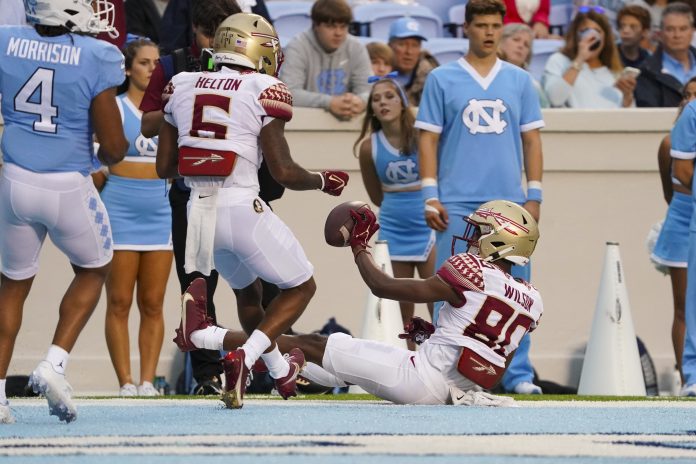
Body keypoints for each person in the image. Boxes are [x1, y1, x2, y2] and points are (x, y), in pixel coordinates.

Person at [158, 12, 349, 409]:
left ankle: (280, 372)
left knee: (250, 292)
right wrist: (322, 180)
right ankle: (243, 357)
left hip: (198, 211)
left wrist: (207, 154)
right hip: (241, 206)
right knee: (301, 287)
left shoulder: (181, 83)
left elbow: (164, 167)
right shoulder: (263, 87)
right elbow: (283, 171)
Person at [177, 200, 543, 405]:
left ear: (502, 239)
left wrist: (360, 246)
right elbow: (493, 361)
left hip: (419, 379)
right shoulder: (531, 300)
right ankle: (283, 371)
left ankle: (203, 336)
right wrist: (437, 335)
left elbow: (381, 285)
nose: (472, 238)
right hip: (458, 391)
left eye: (480, 232)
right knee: (326, 358)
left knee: (311, 342)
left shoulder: (472, 271)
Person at [0, 0, 128, 423]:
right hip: (67, 182)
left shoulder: (6, 39)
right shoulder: (96, 54)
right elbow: (113, 146)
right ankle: (53, 363)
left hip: (15, 179)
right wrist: (102, 156)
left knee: (12, 285)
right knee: (94, 269)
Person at [414, 0, 545, 395]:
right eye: (481, 25)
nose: (489, 32)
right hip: (455, 200)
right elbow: (427, 138)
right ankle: (442, 370)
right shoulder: (441, 78)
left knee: (517, 290)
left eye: (495, 25)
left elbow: (532, 139)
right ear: (466, 28)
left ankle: (518, 375)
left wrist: (534, 194)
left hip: (509, 203)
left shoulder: (521, 80)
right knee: (452, 288)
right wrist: (429, 195)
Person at [140, 0, 242, 395]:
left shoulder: (251, 66)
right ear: (194, 31)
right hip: (191, 191)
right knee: (197, 286)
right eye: (207, 33)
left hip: (238, 189)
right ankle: (207, 375)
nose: (214, 43)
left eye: (223, 35)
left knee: (261, 282)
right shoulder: (174, 65)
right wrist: (173, 103)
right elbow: (148, 122)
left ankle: (271, 359)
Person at [94, 38, 174, 397]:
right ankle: (125, 381)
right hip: (119, 209)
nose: (152, 68)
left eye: (157, 62)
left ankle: (147, 381)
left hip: (161, 211)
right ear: (128, 69)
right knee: (119, 301)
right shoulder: (113, 105)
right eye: (144, 62)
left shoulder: (170, 107)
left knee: (154, 303)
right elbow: (96, 161)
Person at [353, 76, 435, 350]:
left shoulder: (425, 136)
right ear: (371, 109)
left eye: (389, 96)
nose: (383, 103)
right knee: (400, 308)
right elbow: (376, 195)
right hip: (393, 228)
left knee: (440, 299)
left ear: (402, 101)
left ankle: (444, 363)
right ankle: (408, 364)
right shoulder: (369, 147)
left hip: (429, 225)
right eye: (376, 99)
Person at [279, 0, 372, 120]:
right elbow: (289, 93)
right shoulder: (297, 46)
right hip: (305, 123)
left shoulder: (356, 48)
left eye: (343, 27)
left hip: (348, 125)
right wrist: (329, 102)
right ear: (316, 25)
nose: (338, 33)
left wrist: (360, 101)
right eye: (330, 26)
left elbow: (368, 91)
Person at [664, 80, 696, 397]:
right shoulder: (673, 136)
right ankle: (689, 375)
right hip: (684, 218)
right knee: (686, 305)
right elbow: (677, 181)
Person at [542, 6, 637, 108]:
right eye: (585, 31)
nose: (592, 37)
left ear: (605, 38)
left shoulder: (614, 71)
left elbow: (630, 117)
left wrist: (627, 97)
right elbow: (555, 99)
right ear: (575, 35)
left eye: (597, 31)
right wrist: (580, 58)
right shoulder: (559, 60)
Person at [636, 2, 696, 107]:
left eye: (683, 29)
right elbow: (651, 117)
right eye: (670, 29)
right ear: (661, 33)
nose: (677, 35)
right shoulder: (646, 73)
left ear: (692, 31)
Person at [388, 17, 439, 107]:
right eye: (402, 44)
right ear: (390, 46)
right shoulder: (376, 70)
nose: (409, 52)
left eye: (415, 45)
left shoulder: (432, 77)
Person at [498, 23, 550, 107]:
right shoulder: (485, 73)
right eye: (516, 39)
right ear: (500, 41)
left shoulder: (532, 85)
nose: (521, 46)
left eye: (526, 45)